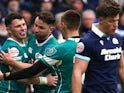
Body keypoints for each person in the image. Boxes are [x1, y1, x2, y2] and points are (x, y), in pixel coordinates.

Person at [0, 9, 81, 93]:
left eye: (41, 28)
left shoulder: (53, 48)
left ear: (51, 29)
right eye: (35, 25)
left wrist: (11, 64)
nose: (36, 30)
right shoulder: (31, 39)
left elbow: (34, 71)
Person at [72, 0, 124, 93]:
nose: (115, 25)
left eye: (117, 20)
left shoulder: (118, 38)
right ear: (101, 20)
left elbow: (121, 68)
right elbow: (77, 72)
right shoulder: (87, 42)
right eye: (111, 21)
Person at [0, 12, 28, 93]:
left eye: (23, 24)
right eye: (18, 26)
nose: (23, 28)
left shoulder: (25, 44)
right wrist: (45, 80)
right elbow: (20, 75)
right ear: (9, 30)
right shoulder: (12, 49)